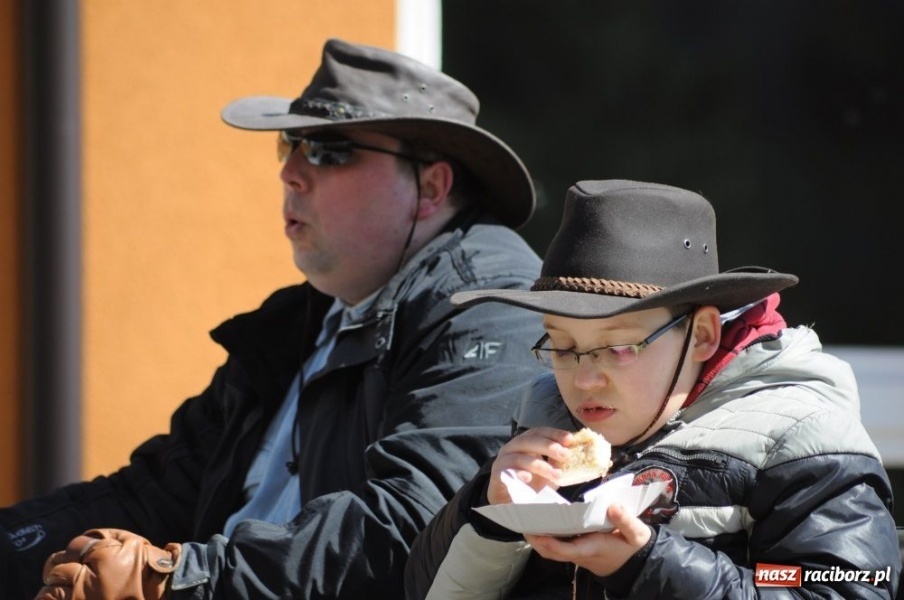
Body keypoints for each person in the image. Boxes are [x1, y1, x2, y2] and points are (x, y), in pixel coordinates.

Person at [0, 38, 546, 599]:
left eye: (329, 151)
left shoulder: (491, 307)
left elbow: (416, 525)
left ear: (430, 187)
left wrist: (180, 580)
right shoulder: (296, 324)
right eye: (291, 144)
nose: (291, 172)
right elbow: (155, 493)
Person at [405, 179, 900, 599]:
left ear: (701, 335)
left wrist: (648, 563)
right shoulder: (544, 414)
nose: (583, 379)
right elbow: (420, 588)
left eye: (618, 348)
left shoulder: (800, 436)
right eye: (562, 345)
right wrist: (490, 512)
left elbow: (838, 585)